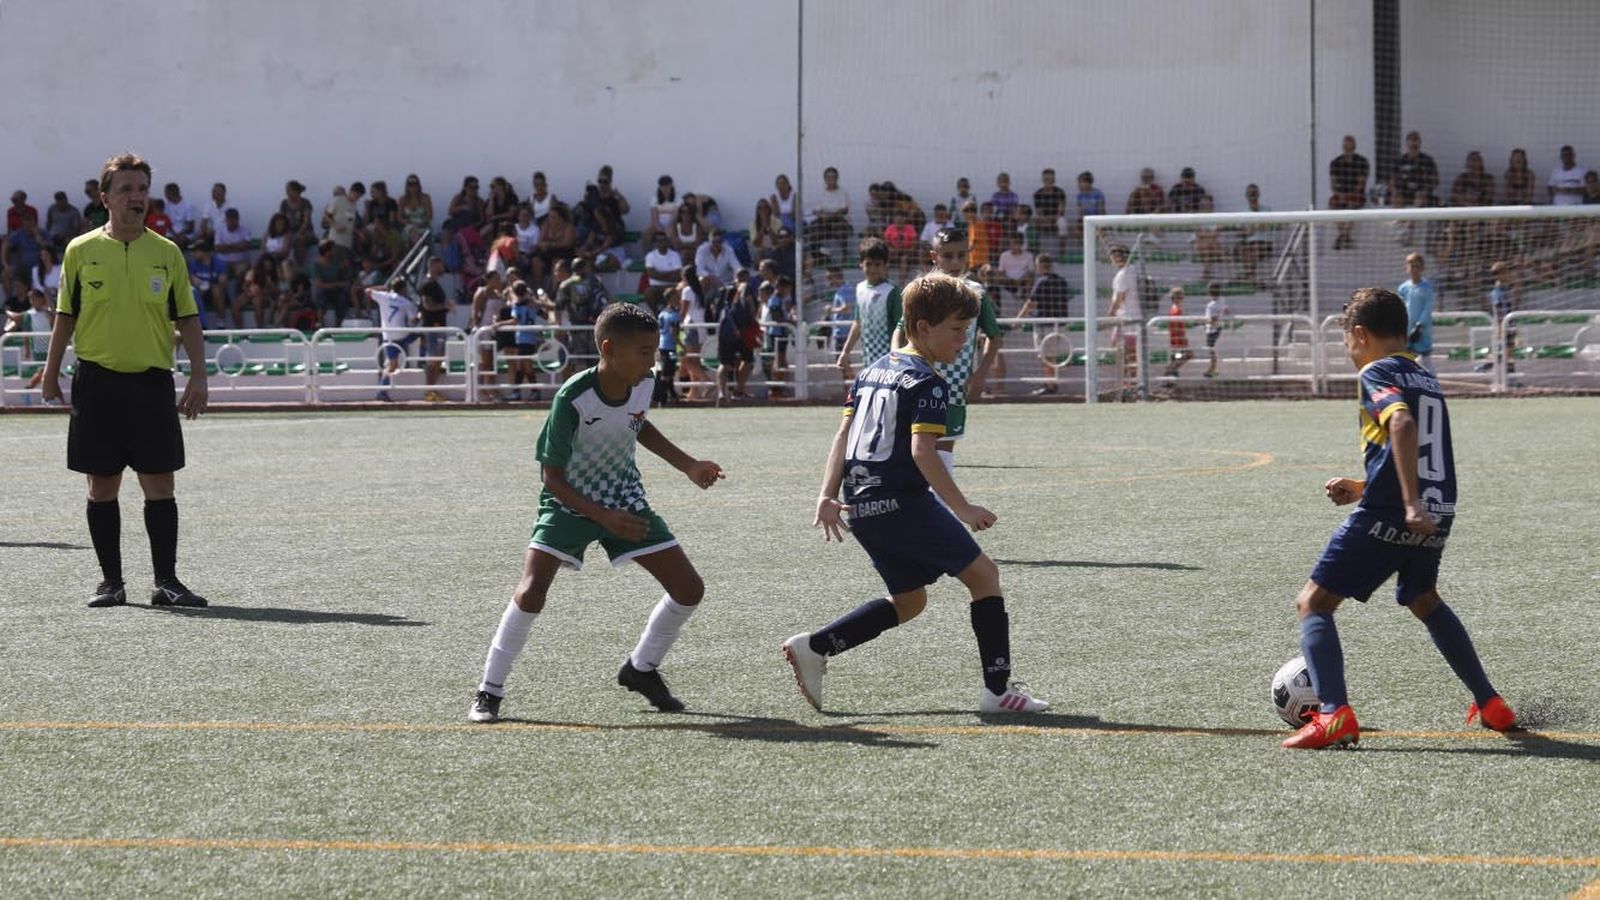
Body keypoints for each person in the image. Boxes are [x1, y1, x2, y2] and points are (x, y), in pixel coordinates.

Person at [781, 272, 1048, 715]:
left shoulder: (870, 372)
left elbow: (842, 436)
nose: (964, 340)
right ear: (923, 327)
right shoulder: (928, 382)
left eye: (968, 330)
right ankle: (998, 691)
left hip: (861, 505)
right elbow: (922, 451)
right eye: (957, 329)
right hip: (903, 502)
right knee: (984, 576)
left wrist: (826, 494)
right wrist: (962, 508)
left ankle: (816, 646)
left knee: (909, 601)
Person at [1282, 287, 1516, 749]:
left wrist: (1407, 504)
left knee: (1313, 603)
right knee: (1424, 599)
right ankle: (1491, 703)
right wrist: (1364, 486)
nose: (1348, 352)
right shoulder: (1424, 376)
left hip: (1398, 512)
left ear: (1360, 334)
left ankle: (1332, 713)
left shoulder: (1376, 371)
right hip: (1438, 510)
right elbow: (1421, 453)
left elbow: (1402, 425)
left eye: (1346, 341)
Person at [469, 303, 725, 723]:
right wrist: (601, 516)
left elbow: (637, 424)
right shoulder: (573, 397)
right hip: (568, 504)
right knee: (531, 592)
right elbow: (552, 478)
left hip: (625, 501)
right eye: (643, 352)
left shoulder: (643, 382)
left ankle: (641, 668)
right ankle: (488, 690)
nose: (652, 361)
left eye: (654, 351)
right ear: (608, 349)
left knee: (688, 589)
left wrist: (688, 465)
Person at [39, 152, 208, 609]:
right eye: (126, 189)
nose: (137, 197)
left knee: (160, 485)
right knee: (101, 486)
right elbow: (65, 317)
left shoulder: (167, 253)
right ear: (106, 198)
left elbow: (188, 318)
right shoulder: (80, 250)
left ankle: (166, 583)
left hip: (152, 383)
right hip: (97, 383)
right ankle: (111, 583)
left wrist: (199, 375)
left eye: (142, 189)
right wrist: (50, 374)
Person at [835, 237, 902, 377]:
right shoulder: (860, 289)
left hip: (890, 362)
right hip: (868, 360)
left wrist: (899, 356)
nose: (872, 269)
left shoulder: (892, 291)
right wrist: (845, 352)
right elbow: (858, 323)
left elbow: (901, 327)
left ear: (886, 265)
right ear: (861, 264)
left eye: (877, 264)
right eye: (868, 264)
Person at [1017, 253, 1071, 396]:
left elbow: (1031, 303)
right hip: (1059, 324)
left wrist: (1018, 320)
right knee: (1050, 356)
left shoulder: (1041, 281)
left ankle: (1050, 385)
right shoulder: (1062, 281)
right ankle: (1050, 383)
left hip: (1045, 325)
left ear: (1040, 265)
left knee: (1046, 356)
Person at [365, 278, 419, 402]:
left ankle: (382, 390)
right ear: (404, 289)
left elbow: (367, 291)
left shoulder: (383, 296)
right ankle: (423, 359)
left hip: (388, 336)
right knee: (421, 335)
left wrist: (382, 288)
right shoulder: (406, 302)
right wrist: (420, 314)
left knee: (392, 365)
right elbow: (413, 320)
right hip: (402, 336)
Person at [1106, 244, 1140, 397]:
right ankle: (1130, 383)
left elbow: (1119, 298)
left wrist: (1109, 316)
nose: (1112, 260)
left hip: (1125, 320)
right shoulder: (1134, 271)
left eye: (1113, 257)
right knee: (1130, 355)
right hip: (1134, 319)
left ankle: (1127, 385)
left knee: (1123, 354)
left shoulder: (1123, 274)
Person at [1397, 252, 1436, 374]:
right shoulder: (1403, 288)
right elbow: (1400, 307)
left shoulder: (1426, 287)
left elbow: (1427, 308)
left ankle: (1433, 382)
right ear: (1406, 268)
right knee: (1407, 358)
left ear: (1422, 268)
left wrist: (1420, 325)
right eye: (1411, 266)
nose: (1414, 269)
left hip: (1422, 329)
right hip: (1407, 328)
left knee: (1426, 358)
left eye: (1417, 266)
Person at [1329, 135, 1369, 250]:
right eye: (1346, 146)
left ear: (1354, 146)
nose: (1348, 148)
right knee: (1333, 204)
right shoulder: (1335, 163)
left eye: (1350, 146)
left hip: (1356, 194)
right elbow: (1333, 183)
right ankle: (1345, 236)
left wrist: (1350, 194)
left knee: (1351, 205)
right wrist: (1339, 194)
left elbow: (1361, 183)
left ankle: (1343, 236)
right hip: (1340, 194)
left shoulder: (1362, 162)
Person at [654, 289, 681, 405]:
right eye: (676, 297)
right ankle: (659, 398)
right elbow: (673, 333)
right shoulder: (674, 315)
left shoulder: (662, 313)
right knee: (667, 374)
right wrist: (682, 346)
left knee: (668, 372)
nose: (678, 299)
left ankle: (673, 396)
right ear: (670, 299)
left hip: (662, 346)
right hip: (670, 347)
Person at [1161, 287, 1191, 382]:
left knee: (1177, 358)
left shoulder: (1175, 309)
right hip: (1178, 341)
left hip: (1177, 340)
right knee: (1186, 355)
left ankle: (1170, 375)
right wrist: (1183, 340)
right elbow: (1177, 327)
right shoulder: (1176, 310)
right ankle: (1169, 370)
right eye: (1180, 297)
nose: (1181, 300)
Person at [1202, 281, 1230, 378]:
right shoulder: (1222, 300)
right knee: (1212, 350)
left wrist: (1203, 322)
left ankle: (1213, 369)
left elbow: (1212, 319)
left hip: (1212, 330)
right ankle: (1213, 368)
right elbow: (1226, 310)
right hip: (1218, 327)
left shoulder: (1211, 306)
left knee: (1211, 350)